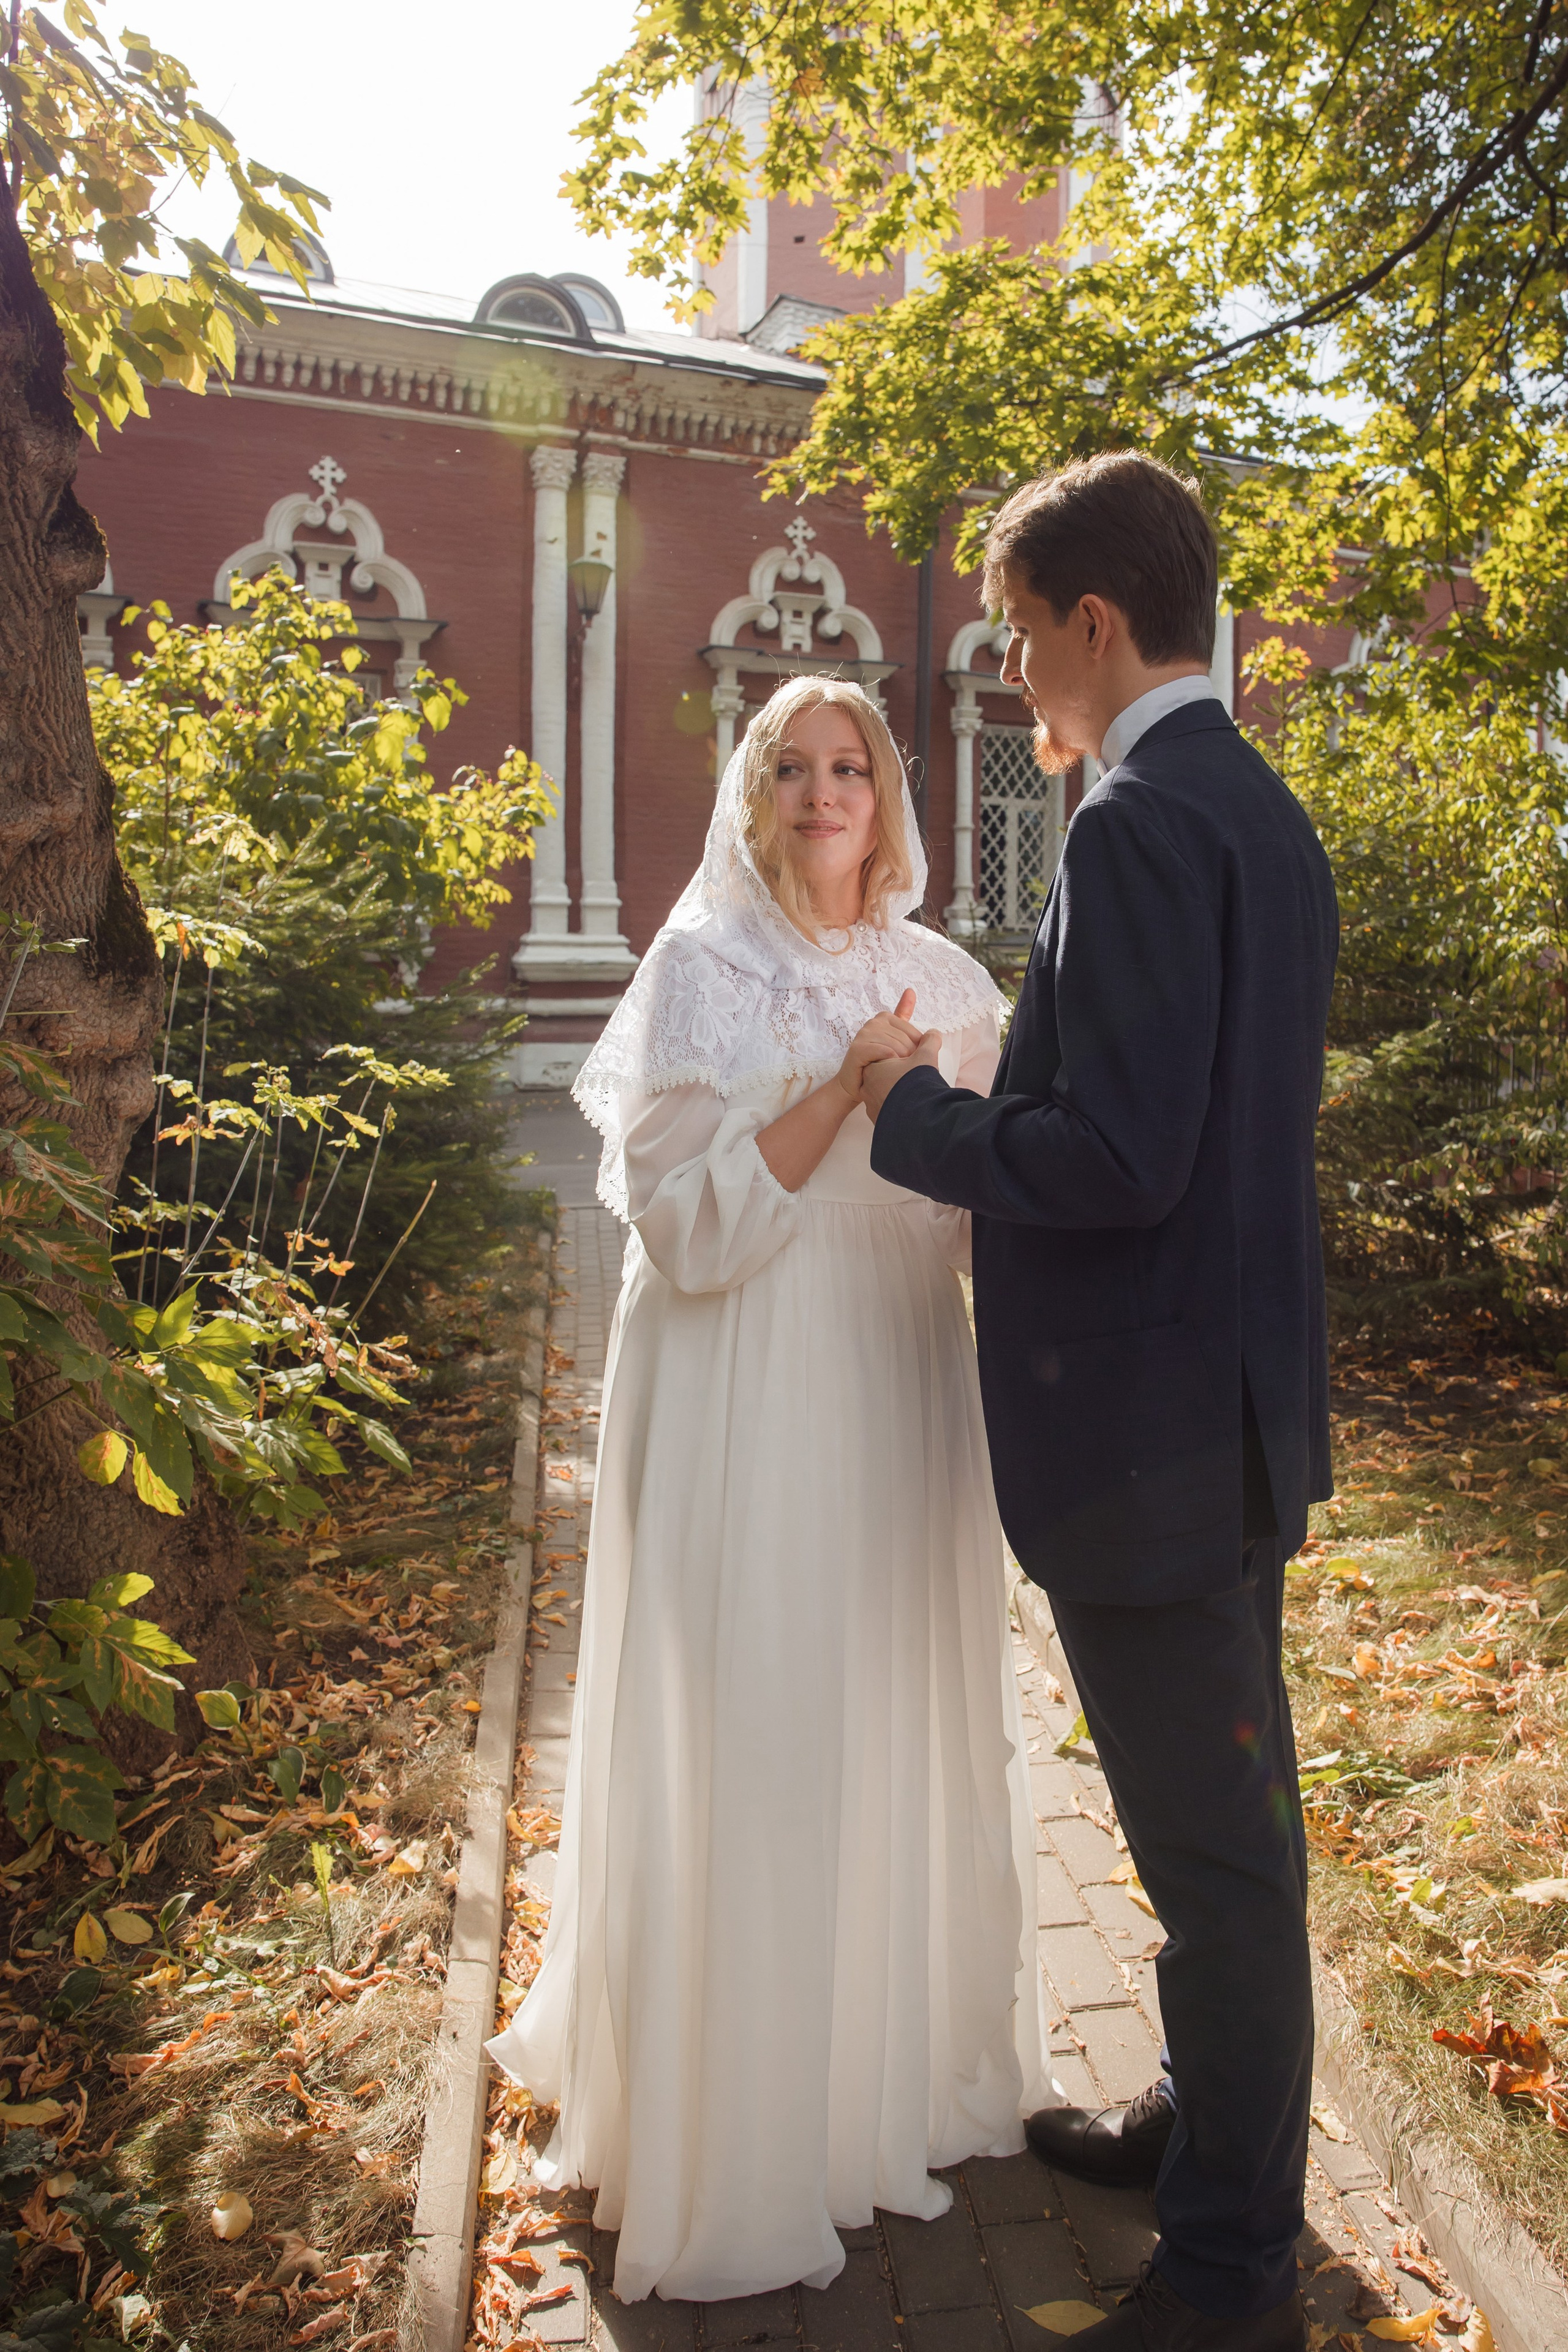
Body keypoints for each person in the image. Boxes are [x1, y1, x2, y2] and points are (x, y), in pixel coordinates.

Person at [486, 675, 1049, 2305]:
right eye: (791, 767)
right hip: (741, 1391)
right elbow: (690, 1232)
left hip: (892, 1384)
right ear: (756, 796)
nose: (823, 792)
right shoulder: (696, 972)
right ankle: (738, 2130)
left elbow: (973, 1221)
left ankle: (879, 2092)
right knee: (755, 1721)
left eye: (850, 764)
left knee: (878, 1711)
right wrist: (848, 1087)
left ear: (889, 795)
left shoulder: (950, 980)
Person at [863, 453, 1338, 2352]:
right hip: (1223, 1414)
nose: (1011, 679)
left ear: (1093, 620)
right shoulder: (1256, 805)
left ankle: (1233, 2266)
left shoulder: (1138, 820)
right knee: (1208, 1831)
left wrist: (926, 1123)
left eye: (1016, 636)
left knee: (1223, 1864)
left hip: (1148, 1445)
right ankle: (1202, 2129)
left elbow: (1124, 1154)